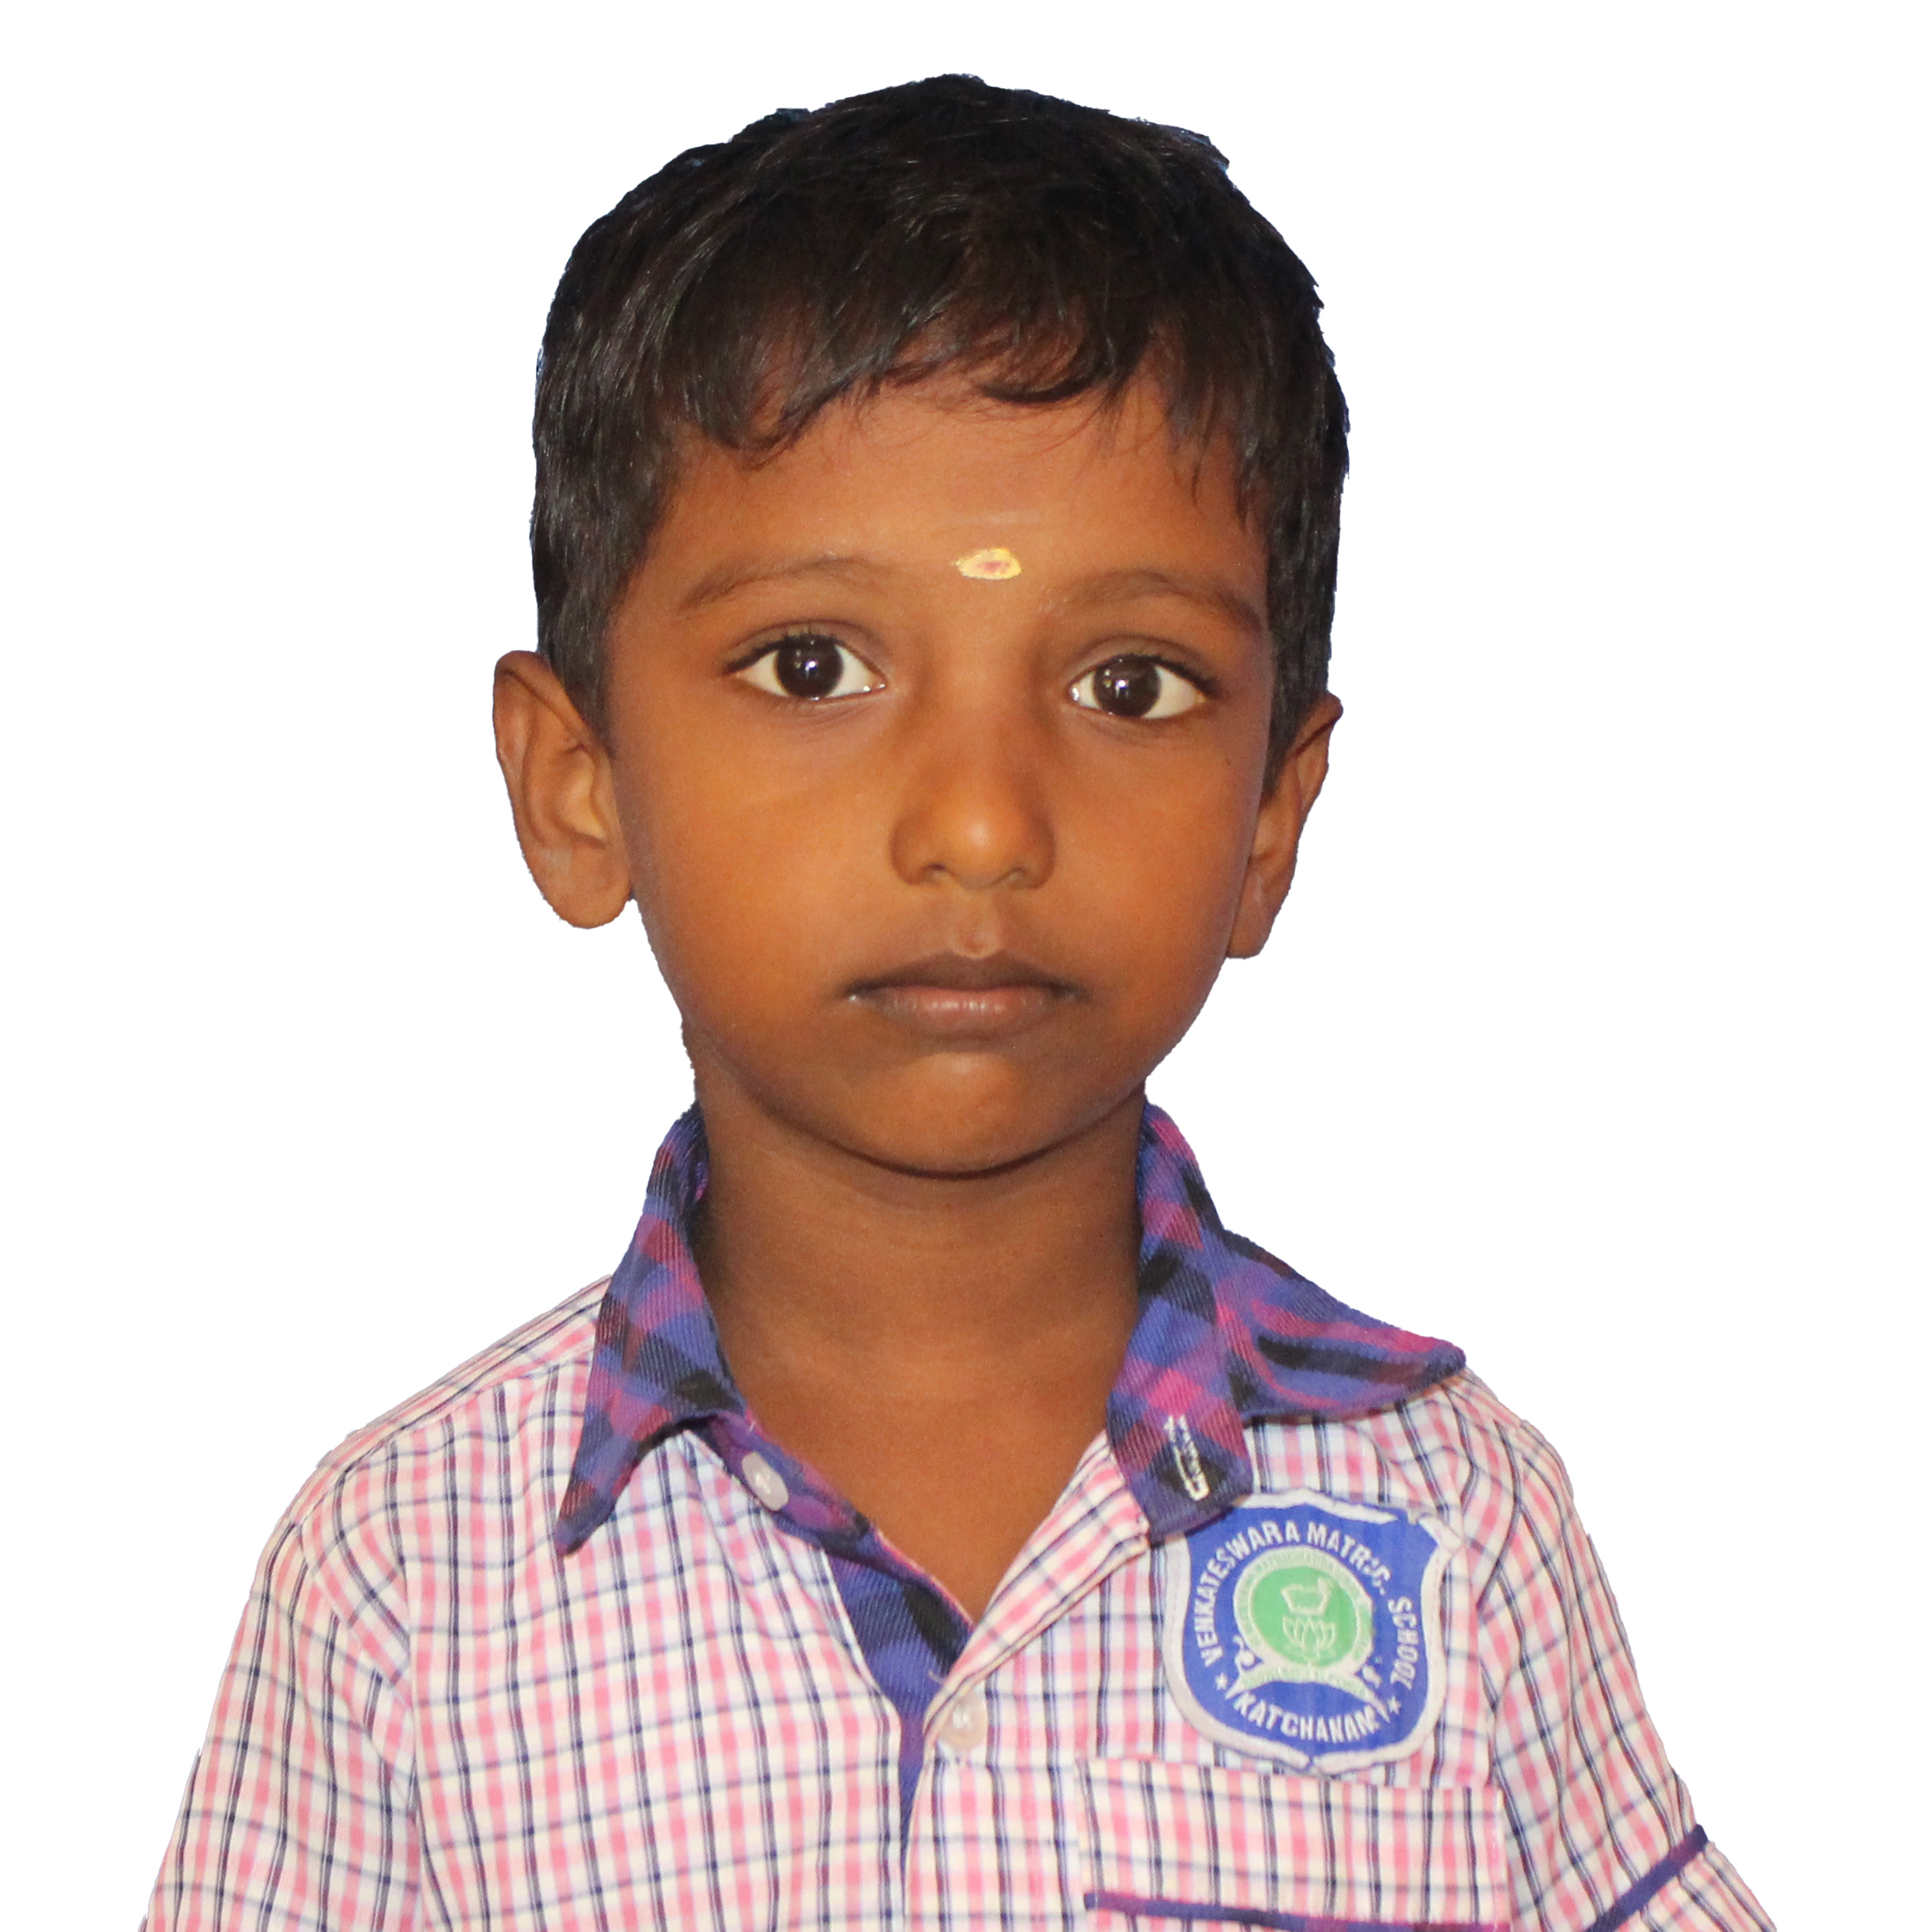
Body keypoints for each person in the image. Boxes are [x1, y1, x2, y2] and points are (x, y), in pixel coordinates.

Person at [144, 75, 1772, 1932]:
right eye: (811, 665)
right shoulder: (403, 1584)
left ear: (1271, 817)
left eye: (1130, 685)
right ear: (576, 786)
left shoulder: (1455, 1530)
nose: (984, 824)